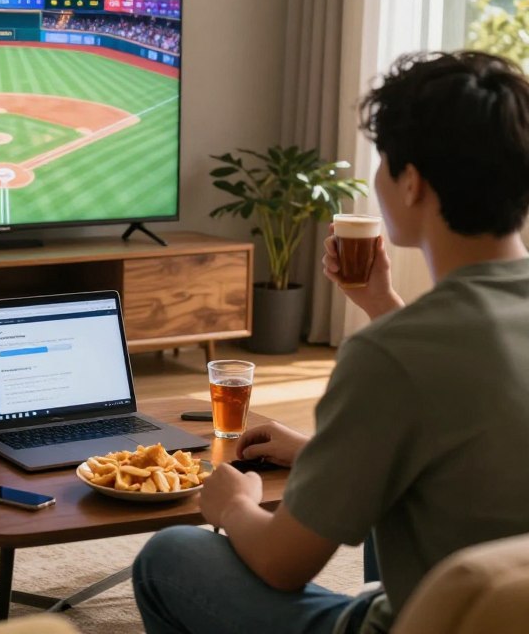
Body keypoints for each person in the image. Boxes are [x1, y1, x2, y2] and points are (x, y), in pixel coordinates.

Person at [132, 50, 529, 633]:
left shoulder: (391, 357)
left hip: (419, 624)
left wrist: (232, 505)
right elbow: (476, 404)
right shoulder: (410, 345)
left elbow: (280, 564)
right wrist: (380, 310)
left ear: (412, 183)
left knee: (169, 557)